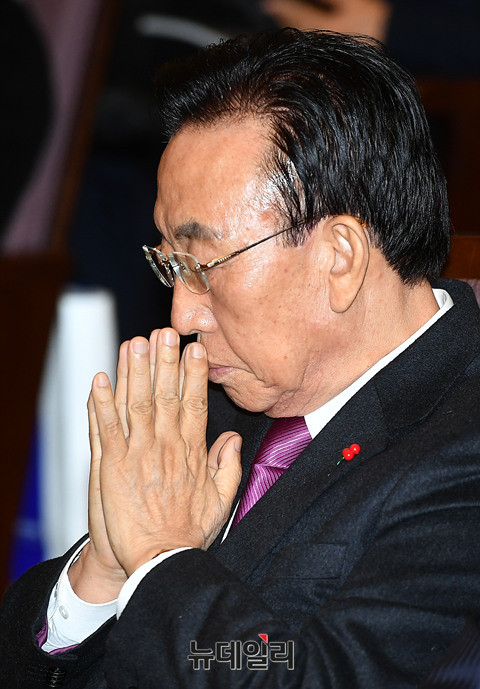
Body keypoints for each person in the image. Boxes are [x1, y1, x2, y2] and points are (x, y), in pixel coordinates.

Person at [1, 29, 480, 689]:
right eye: (170, 265)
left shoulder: (462, 450)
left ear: (339, 257)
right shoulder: (221, 399)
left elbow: (312, 675)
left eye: (203, 265)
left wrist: (159, 560)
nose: (182, 317)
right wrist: (104, 573)